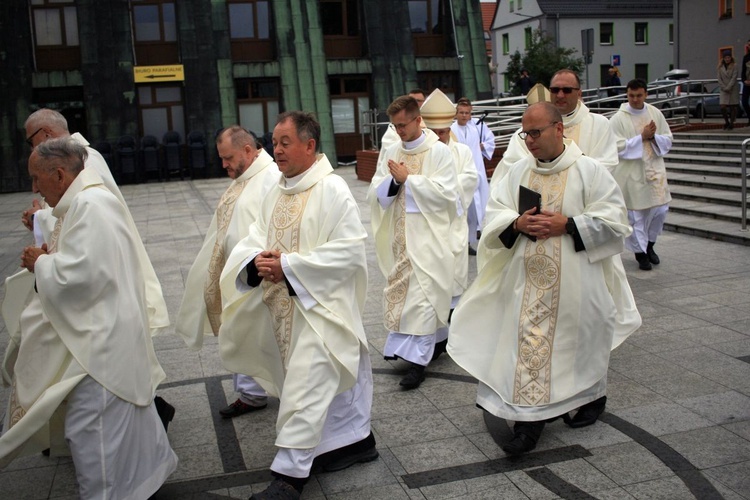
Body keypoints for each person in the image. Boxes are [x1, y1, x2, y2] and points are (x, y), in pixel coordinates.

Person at [448, 102, 641, 457]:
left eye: (536, 132)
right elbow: (496, 213)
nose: (529, 140)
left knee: (581, 344)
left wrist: (566, 224)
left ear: (558, 129)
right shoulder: (519, 170)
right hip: (527, 281)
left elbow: (616, 224)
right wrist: (517, 223)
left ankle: (591, 398)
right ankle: (528, 424)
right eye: (525, 133)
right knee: (530, 344)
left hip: (577, 281)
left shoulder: (590, 171)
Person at [0, 137, 178, 496]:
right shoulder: (81, 202)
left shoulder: (91, 204)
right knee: (122, 422)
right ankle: (144, 482)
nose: (34, 187)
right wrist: (52, 256)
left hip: (101, 340)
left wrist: (42, 263)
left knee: (92, 428)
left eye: (37, 178)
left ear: (61, 174)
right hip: (105, 326)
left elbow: (83, 276)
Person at [219, 111, 376, 500]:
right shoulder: (276, 188)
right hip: (283, 306)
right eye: (274, 142)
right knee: (320, 388)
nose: (277, 150)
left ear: (309, 145)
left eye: (285, 142)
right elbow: (255, 234)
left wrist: (288, 266)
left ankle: (290, 476)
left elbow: (350, 252)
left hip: (322, 309)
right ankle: (354, 442)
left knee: (306, 386)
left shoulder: (333, 190)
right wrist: (255, 261)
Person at [17, 108, 174, 427]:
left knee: (114, 364)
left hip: (100, 279)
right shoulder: (69, 156)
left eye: (29, 140)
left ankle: (150, 411)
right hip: (88, 274)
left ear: (45, 135)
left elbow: (87, 213)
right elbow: (68, 212)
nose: (30, 147)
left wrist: (42, 224)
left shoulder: (84, 157)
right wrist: (42, 220)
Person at [176, 126, 280, 418]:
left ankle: (266, 390)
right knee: (238, 332)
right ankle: (251, 392)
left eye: (228, 158)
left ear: (248, 150)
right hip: (238, 273)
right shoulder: (244, 177)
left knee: (254, 334)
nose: (224, 165)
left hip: (257, 275)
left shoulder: (270, 178)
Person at [368, 95, 458, 389]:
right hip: (399, 237)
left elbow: (447, 195)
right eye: (395, 126)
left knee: (423, 297)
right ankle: (429, 343)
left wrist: (410, 179)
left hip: (428, 238)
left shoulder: (439, 153)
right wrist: (394, 181)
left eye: (403, 125)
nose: (399, 131)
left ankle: (418, 364)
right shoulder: (393, 149)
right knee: (406, 296)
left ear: (419, 120)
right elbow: (376, 189)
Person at [420, 89, 479, 357]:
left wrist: (442, 192)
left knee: (452, 284)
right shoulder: (422, 153)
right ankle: (430, 339)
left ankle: (447, 337)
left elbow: (470, 179)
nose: (438, 138)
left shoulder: (462, 152)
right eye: (434, 133)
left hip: (452, 226)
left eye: (443, 133)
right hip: (426, 229)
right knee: (428, 289)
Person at [490, 69, 618, 189]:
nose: (560, 95)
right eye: (555, 90)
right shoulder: (525, 133)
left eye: (567, 90)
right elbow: (512, 169)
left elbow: (606, 165)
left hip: (581, 198)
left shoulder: (599, 124)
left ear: (579, 93)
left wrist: (569, 184)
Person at [609, 78, 673, 271]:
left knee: (660, 212)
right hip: (632, 173)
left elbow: (668, 139)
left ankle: (650, 245)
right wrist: (641, 138)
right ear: (627, 95)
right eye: (631, 95)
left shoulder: (655, 113)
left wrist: (653, 137)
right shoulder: (618, 119)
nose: (635, 99)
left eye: (639, 95)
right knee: (637, 216)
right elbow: (615, 146)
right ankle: (641, 253)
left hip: (655, 170)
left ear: (646, 94)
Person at [451, 97, 495, 253]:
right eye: (461, 112)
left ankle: (473, 240)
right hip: (460, 174)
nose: (464, 116)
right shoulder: (451, 129)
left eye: (467, 113)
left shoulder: (477, 127)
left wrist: (484, 146)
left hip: (477, 171)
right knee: (462, 209)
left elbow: (490, 140)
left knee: (478, 207)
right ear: (456, 113)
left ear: (471, 114)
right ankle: (462, 242)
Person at [717, 49, 740, 130]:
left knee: (732, 106)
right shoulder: (720, 67)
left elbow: (734, 77)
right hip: (723, 89)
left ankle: (731, 123)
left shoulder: (735, 65)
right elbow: (719, 79)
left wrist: (729, 87)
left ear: (731, 58)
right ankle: (726, 122)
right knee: (723, 106)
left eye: (729, 57)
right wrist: (724, 87)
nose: (727, 59)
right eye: (726, 57)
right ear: (723, 58)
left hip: (732, 88)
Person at [742, 40, 750, 125]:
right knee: (744, 101)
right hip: (747, 83)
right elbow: (743, 71)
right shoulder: (746, 57)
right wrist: (744, 80)